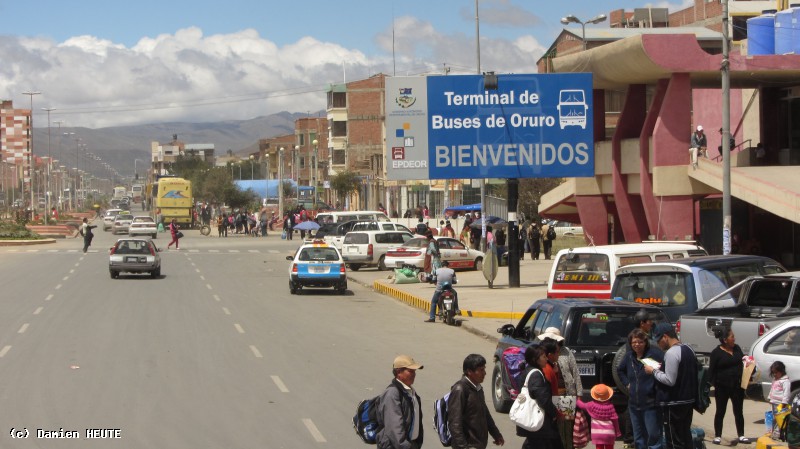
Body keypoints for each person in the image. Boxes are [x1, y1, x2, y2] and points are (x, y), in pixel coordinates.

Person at [644, 323, 698, 449]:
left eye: (659, 340)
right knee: (685, 436)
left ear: (665, 337)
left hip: (674, 404)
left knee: (674, 440)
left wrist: (653, 371)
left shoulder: (671, 353)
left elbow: (669, 380)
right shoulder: (688, 349)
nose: (658, 344)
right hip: (688, 401)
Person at [617, 329, 664, 449]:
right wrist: (627, 383)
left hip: (651, 405)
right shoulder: (629, 356)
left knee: (653, 437)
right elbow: (620, 370)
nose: (637, 344)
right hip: (634, 405)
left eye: (640, 342)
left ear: (645, 342)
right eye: (634, 342)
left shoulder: (654, 355)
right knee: (639, 439)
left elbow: (663, 372)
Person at [446, 354, 504, 449]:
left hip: (478, 445)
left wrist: (496, 434)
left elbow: (485, 414)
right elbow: (454, 423)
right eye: (481, 370)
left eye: (484, 369)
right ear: (469, 371)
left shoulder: (477, 388)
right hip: (468, 445)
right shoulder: (460, 389)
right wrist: (463, 447)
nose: (484, 373)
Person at [539, 327, 583, 449]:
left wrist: (578, 393)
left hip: (566, 395)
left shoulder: (566, 351)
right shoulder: (542, 355)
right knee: (554, 429)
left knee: (567, 428)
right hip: (551, 396)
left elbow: (575, 372)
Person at [516, 346, 561, 449]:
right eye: (543, 357)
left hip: (536, 425)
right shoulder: (536, 374)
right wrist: (554, 413)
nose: (546, 359)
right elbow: (543, 399)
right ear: (535, 359)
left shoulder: (530, 371)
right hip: (539, 422)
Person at [708, 328, 748, 445]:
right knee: (720, 411)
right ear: (725, 340)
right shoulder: (716, 353)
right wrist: (710, 385)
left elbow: (742, 362)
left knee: (738, 411)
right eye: (732, 337)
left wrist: (748, 362)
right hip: (722, 388)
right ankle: (718, 436)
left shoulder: (737, 348)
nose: (734, 339)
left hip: (737, 387)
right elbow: (711, 371)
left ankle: (741, 435)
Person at [376, 355, 424, 449]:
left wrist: (417, 444)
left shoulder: (411, 393)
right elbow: (394, 428)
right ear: (399, 372)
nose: (414, 374)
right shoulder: (392, 394)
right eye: (410, 371)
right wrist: (405, 446)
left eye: (414, 371)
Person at [577, 384, 622, 449]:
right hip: (609, 434)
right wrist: (617, 432)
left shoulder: (591, 405)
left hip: (597, 434)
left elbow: (581, 405)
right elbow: (615, 420)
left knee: (599, 447)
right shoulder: (610, 407)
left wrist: (577, 399)